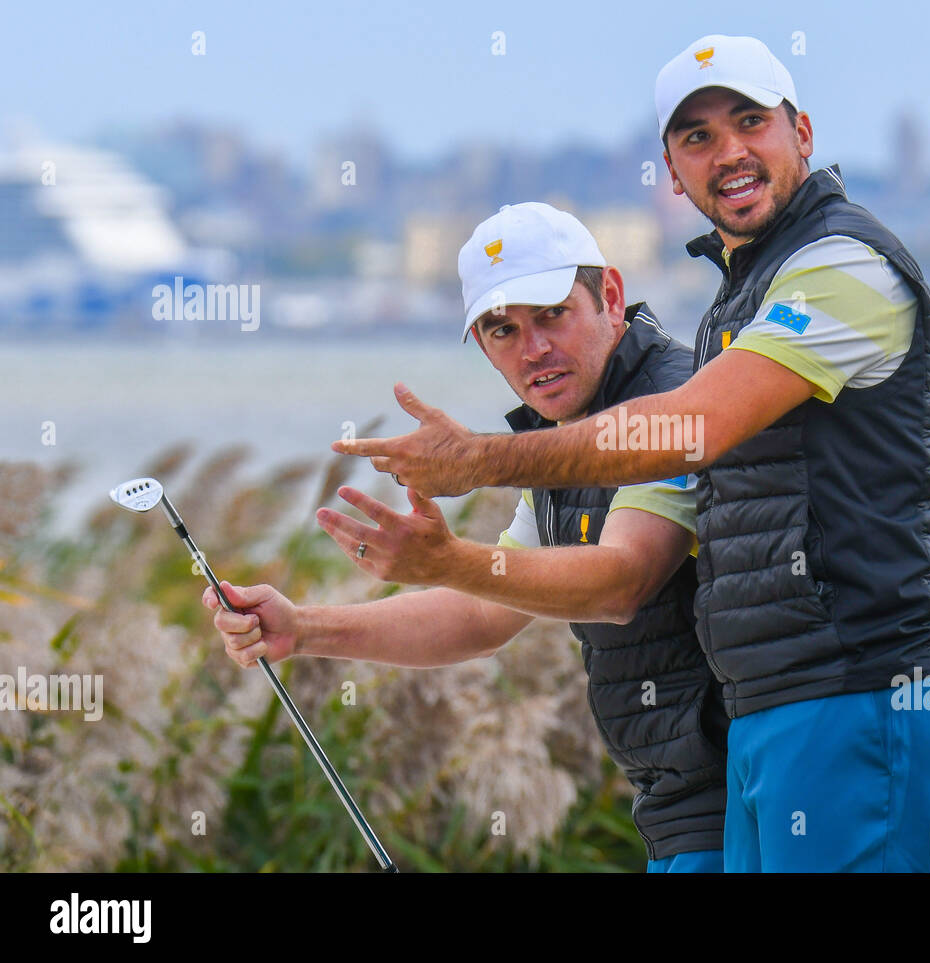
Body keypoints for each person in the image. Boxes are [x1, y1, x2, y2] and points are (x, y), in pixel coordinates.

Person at [332, 35, 930, 873]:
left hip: (854, 695)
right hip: (778, 713)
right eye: (697, 137)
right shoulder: (740, 303)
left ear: (804, 133)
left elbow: (685, 437)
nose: (729, 151)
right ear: (672, 173)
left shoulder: (840, 263)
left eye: (751, 121)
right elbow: (487, 610)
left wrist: (478, 462)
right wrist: (303, 627)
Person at [206, 202, 727, 872]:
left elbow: (621, 580)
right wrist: (303, 628)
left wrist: (448, 558)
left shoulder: (667, 400)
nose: (532, 348)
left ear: (613, 297)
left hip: (734, 797)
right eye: (502, 328)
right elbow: (486, 610)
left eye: (553, 314)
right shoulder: (557, 441)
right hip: (678, 804)